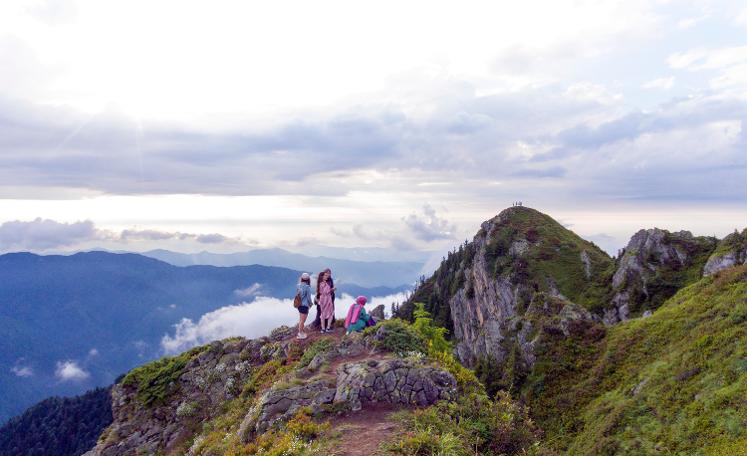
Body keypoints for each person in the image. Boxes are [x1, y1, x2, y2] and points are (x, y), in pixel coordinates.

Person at [295, 273, 312, 339]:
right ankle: (300, 334)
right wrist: (310, 304)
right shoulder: (307, 287)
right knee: (302, 320)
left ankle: (301, 332)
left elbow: (297, 295)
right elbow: (308, 298)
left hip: (299, 305)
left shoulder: (298, 286)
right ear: (308, 279)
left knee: (301, 320)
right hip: (305, 305)